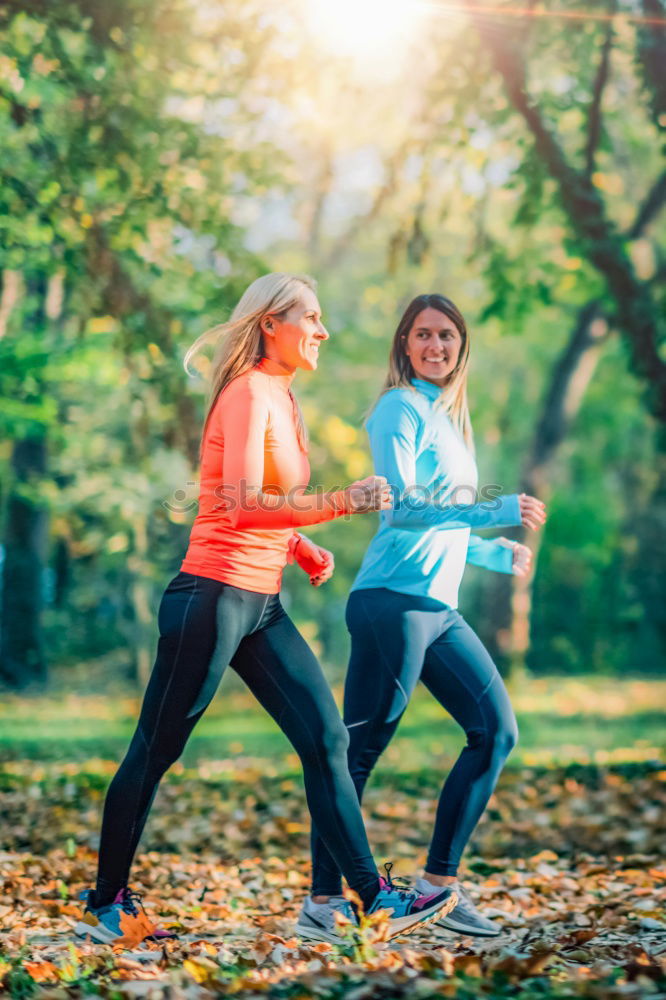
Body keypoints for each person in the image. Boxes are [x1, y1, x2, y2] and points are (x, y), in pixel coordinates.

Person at [74, 274, 454, 946]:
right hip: (212, 598)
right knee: (156, 749)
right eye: (311, 316)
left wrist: (299, 543)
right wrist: (341, 503)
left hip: (259, 603)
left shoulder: (280, 394)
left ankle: (375, 899)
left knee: (326, 738)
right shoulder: (251, 391)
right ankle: (108, 902)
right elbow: (243, 503)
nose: (323, 330)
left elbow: (251, 502)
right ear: (271, 324)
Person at [299, 293, 546, 942]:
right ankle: (324, 901)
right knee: (355, 757)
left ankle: (438, 885)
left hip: (438, 609)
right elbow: (402, 508)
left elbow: (441, 527)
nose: (436, 346)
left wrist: (493, 552)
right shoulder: (398, 408)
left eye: (447, 336)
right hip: (391, 605)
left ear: (461, 346)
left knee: (494, 731)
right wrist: (495, 511)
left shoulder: (446, 418)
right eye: (423, 335)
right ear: (405, 346)